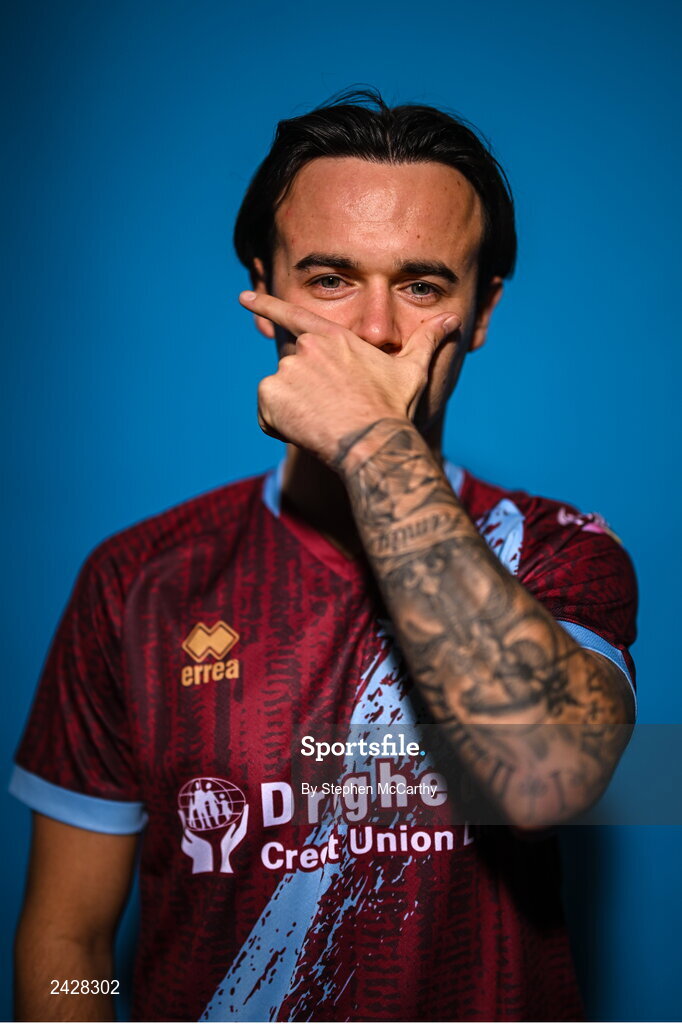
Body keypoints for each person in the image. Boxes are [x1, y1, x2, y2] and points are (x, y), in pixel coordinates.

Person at [10, 87, 637, 1022]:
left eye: (422, 286)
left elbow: (548, 775)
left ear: (483, 310)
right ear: (263, 293)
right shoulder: (137, 580)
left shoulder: (561, 550)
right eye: (331, 279)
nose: (376, 331)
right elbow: (72, 943)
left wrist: (368, 441)